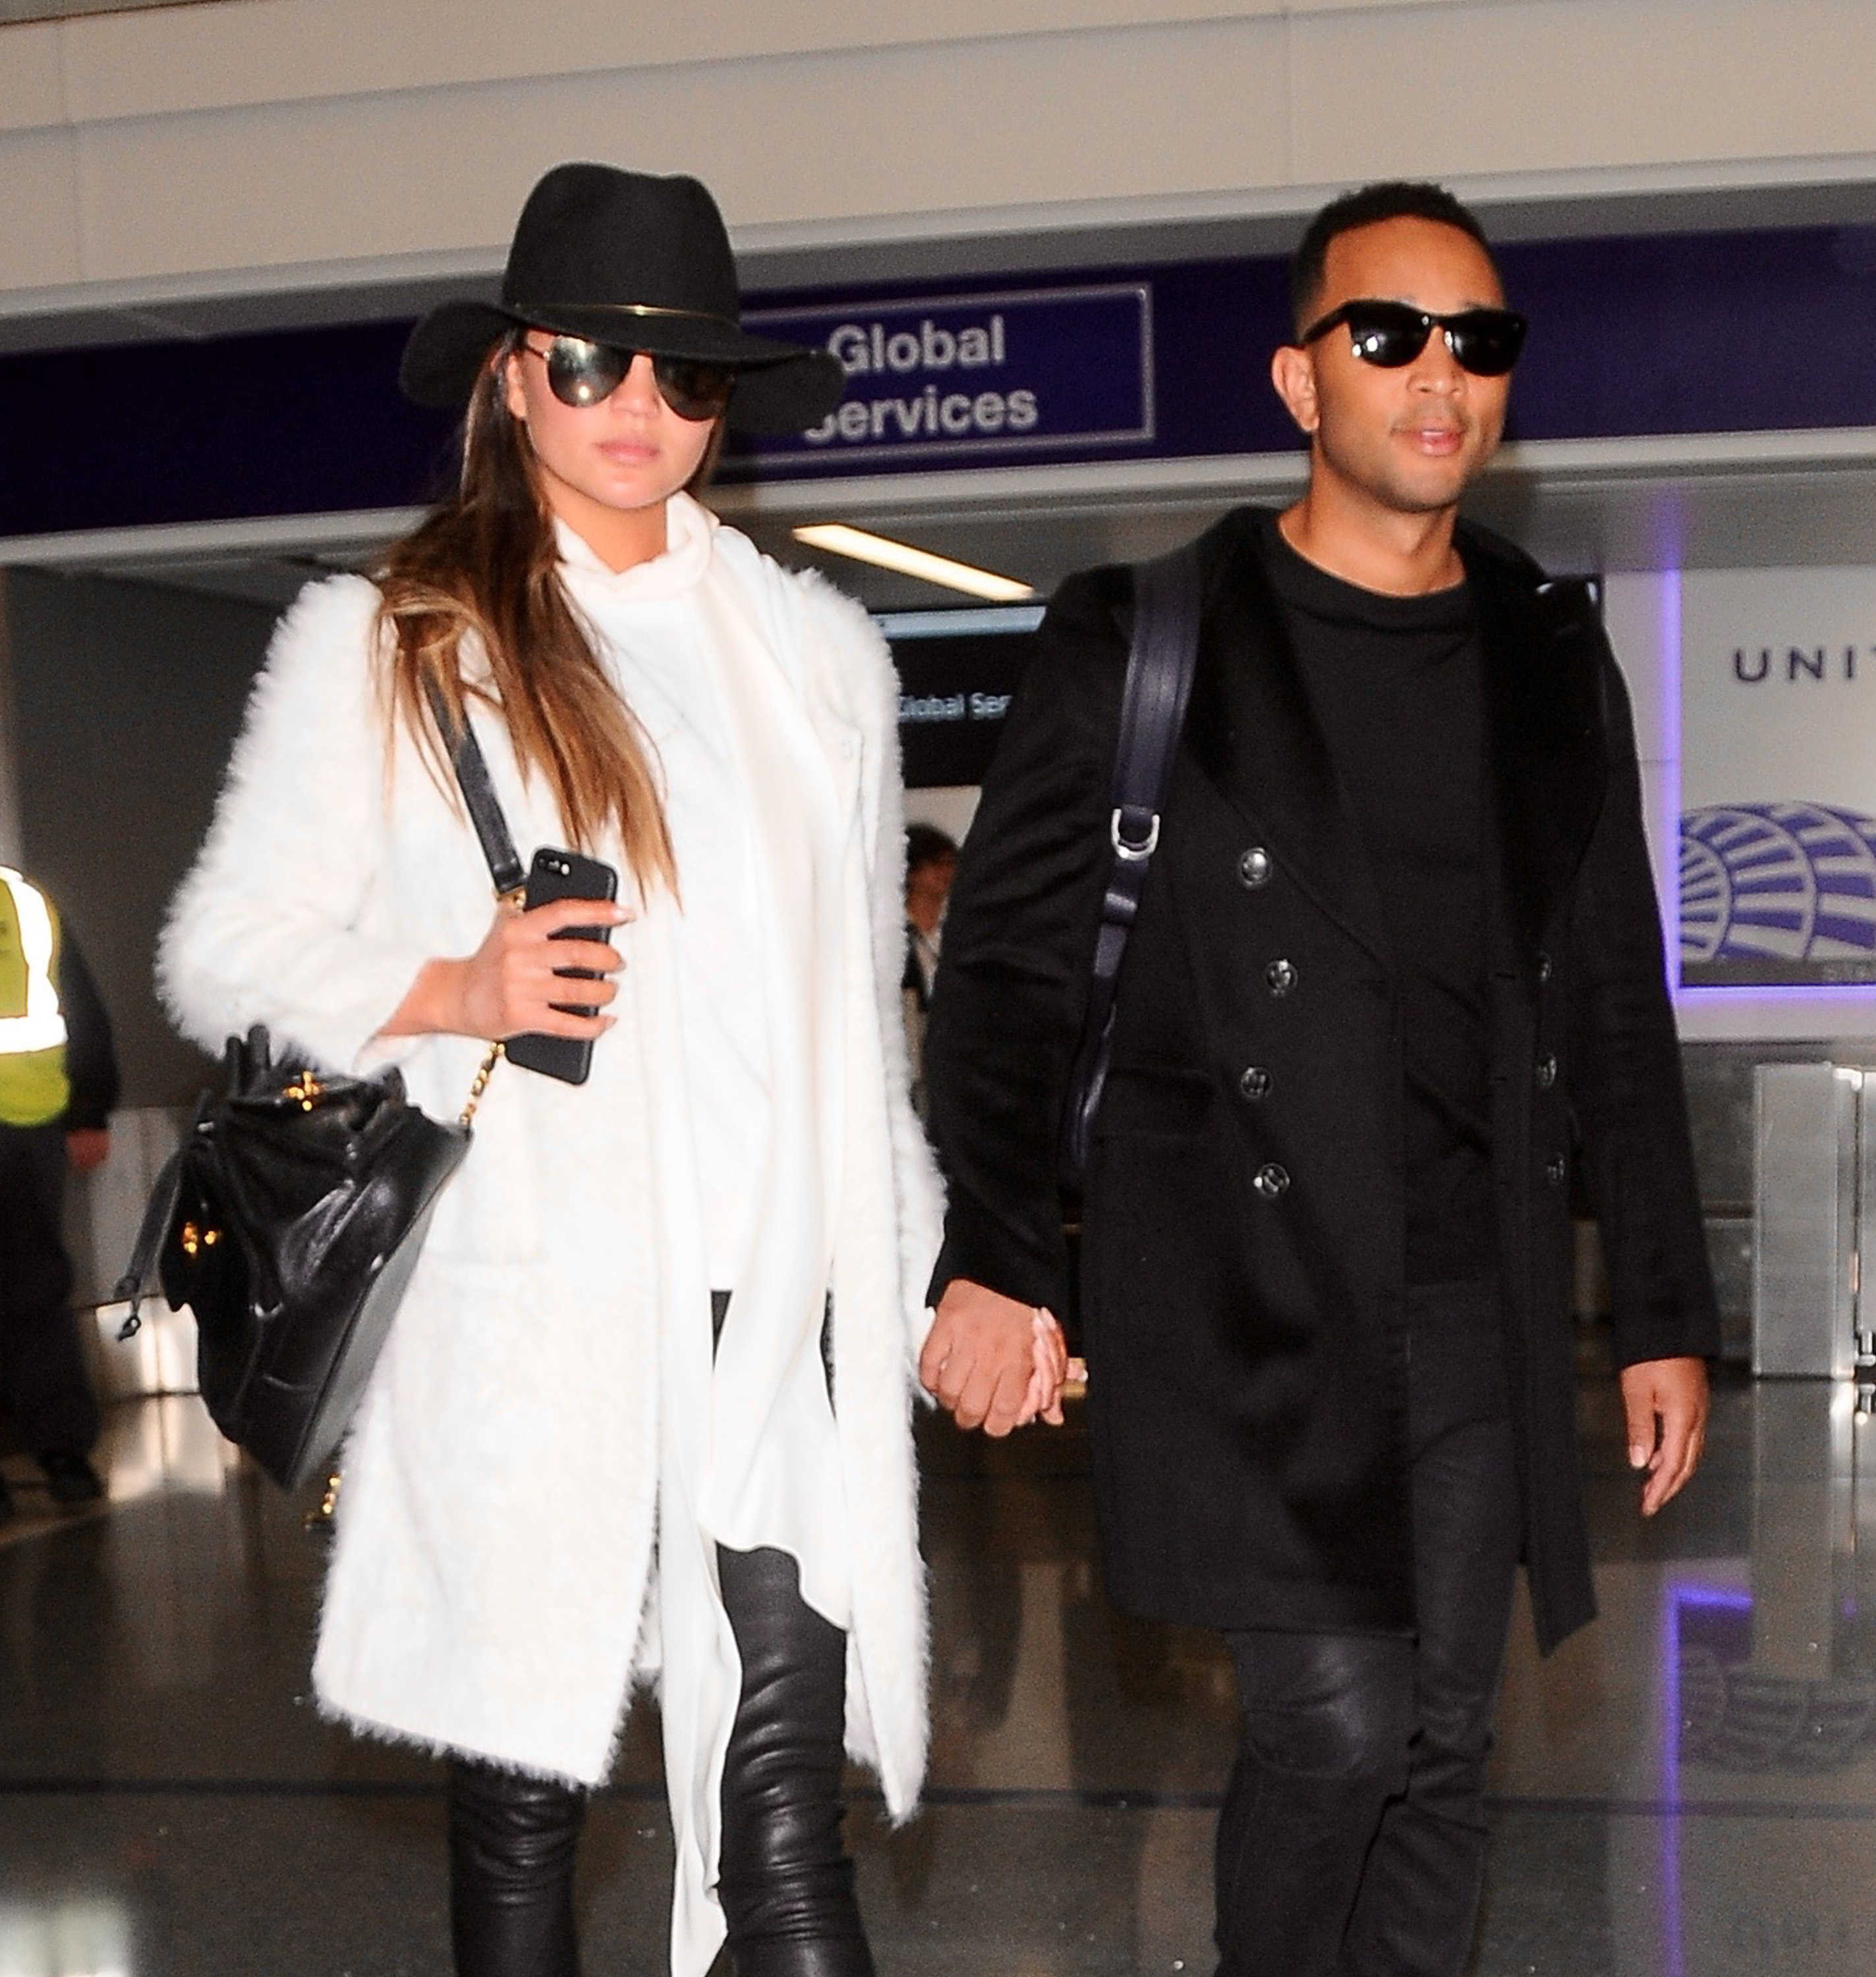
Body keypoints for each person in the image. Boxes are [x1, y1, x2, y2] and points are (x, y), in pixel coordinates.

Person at [919, 181, 1718, 1976]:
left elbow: (1605, 994)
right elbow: (1006, 987)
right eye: (1386, 334)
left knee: (1441, 1745)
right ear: (1299, 380)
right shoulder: (1144, 639)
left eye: (1476, 342)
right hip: (1236, 1301)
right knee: (1338, 1728)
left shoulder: (1539, 649)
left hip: (1468, 1302)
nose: (1436, 374)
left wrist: (1660, 1301)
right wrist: (991, 1249)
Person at [159, 163, 946, 1977]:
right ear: (511, 375)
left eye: (686, 380)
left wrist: (910, 1293)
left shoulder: (815, 662)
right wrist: (452, 980)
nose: (639, 414)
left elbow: (855, 1042)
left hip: (773, 1325)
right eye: (593, 364)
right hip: (534, 1326)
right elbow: (224, 952)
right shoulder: (395, 640)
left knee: (787, 1850)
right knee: (522, 1820)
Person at [0, 865, 117, 1518]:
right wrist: (88, 1111)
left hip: (30, 1128)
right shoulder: (24, 901)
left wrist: (90, 1111)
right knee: (36, 1291)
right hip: (31, 1126)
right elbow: (85, 1014)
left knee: (33, 1290)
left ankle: (54, 1454)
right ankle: (64, 1456)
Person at [900, 822, 957, 1117]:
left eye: (951, 864)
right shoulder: (895, 935)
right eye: (937, 864)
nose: (946, 873)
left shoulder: (955, 933)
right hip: (911, 1054)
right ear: (913, 870)